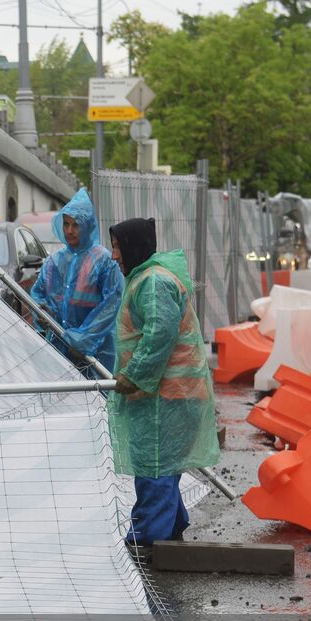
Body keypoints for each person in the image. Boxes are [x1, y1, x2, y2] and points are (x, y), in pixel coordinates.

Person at [106, 217, 220, 545]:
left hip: (167, 396)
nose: (115, 256)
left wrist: (135, 376)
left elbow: (160, 333)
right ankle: (171, 528)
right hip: (167, 395)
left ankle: (147, 542)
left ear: (134, 247)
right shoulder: (146, 278)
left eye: (117, 247)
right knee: (161, 467)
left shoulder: (153, 282)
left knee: (155, 469)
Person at [30, 187, 123, 373]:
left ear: (87, 226)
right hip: (58, 347)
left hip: (95, 352)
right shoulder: (54, 262)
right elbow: (38, 293)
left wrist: (84, 339)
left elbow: (111, 305)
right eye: (66, 224)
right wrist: (44, 313)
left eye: (76, 225)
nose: (70, 230)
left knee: (95, 397)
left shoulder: (104, 261)